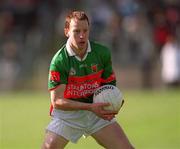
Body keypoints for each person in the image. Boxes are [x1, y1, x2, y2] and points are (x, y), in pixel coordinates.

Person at [41, 11, 134, 149]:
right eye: (76, 31)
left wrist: (114, 102)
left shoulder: (102, 53)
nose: (82, 35)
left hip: (97, 114)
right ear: (66, 31)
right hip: (68, 116)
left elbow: (109, 85)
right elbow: (57, 101)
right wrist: (90, 107)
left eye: (85, 30)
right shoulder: (59, 60)